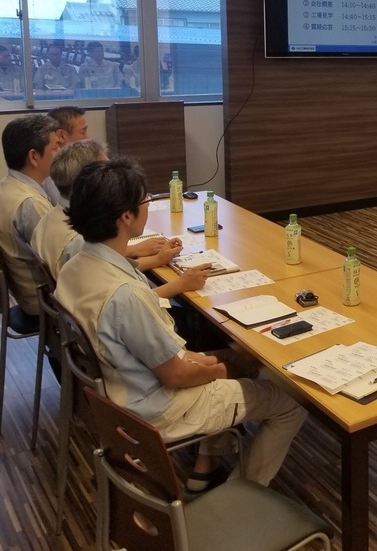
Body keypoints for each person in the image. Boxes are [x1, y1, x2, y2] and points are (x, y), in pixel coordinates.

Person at [55, 157, 308, 488]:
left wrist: (201, 361)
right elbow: (176, 375)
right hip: (158, 407)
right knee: (292, 402)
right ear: (126, 216)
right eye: (145, 199)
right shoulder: (126, 295)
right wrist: (212, 370)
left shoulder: (73, 267)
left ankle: (206, 466)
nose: (148, 205)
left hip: (119, 388)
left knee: (241, 359)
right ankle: (242, 495)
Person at [31, 139, 211, 297]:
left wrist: (148, 256)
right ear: (90, 181)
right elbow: (123, 298)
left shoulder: (51, 217)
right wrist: (180, 284)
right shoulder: (77, 240)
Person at [0, 114, 58, 332]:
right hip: (45, 305)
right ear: (34, 156)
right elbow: (63, 263)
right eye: (55, 148)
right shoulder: (30, 204)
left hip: (27, 296)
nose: (60, 154)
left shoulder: (6, 187)